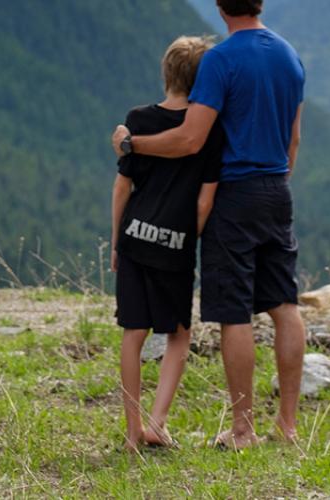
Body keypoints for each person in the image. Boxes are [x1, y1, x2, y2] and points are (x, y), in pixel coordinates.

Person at [111, 0, 307, 450]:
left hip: (234, 193)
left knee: (234, 311)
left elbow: (190, 138)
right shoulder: (288, 54)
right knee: (284, 304)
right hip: (277, 187)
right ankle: (289, 426)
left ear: (220, 8)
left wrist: (131, 144)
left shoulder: (221, 59)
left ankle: (242, 430)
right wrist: (276, 181)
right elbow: (294, 137)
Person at [111, 35, 223, 452]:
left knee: (133, 332)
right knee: (178, 333)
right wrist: (185, 239)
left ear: (166, 72)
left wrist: (116, 240)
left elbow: (123, 186)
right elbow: (205, 198)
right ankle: (157, 422)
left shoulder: (137, 119)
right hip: (175, 243)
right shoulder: (209, 129)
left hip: (135, 236)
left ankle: (131, 432)